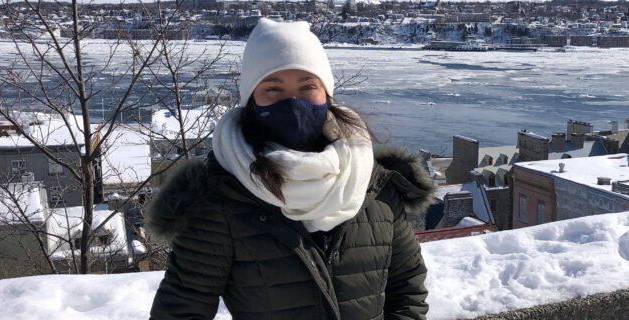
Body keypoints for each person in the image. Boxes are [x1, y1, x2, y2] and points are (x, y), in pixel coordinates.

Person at [147, 19, 433, 320]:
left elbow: (407, 288)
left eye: (308, 86)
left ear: (327, 93)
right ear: (252, 101)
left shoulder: (375, 187)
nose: (293, 102)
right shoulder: (219, 200)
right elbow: (182, 309)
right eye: (273, 88)